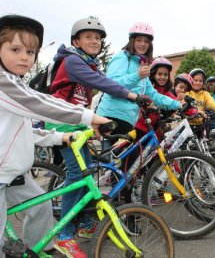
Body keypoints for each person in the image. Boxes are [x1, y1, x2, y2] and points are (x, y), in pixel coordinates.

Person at [0, 14, 110, 258]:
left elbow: (23, 130)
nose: (24, 56)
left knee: (41, 206)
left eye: (30, 52)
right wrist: (88, 116)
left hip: (13, 174)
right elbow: (39, 102)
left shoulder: (14, 85)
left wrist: (59, 138)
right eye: (15, 49)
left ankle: (36, 252)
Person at [46, 17, 144, 257]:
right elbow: (104, 83)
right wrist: (133, 97)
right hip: (62, 126)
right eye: (88, 36)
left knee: (89, 171)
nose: (95, 41)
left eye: (98, 38)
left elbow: (85, 99)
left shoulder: (87, 64)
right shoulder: (72, 61)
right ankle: (64, 234)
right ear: (76, 41)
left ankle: (82, 222)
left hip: (76, 125)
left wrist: (93, 123)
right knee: (77, 174)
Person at [97, 22, 180, 145]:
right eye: (139, 40)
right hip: (110, 117)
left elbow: (153, 95)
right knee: (109, 162)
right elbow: (111, 85)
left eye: (146, 41)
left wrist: (177, 104)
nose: (142, 44)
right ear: (132, 41)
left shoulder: (140, 64)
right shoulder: (122, 58)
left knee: (128, 162)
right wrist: (137, 76)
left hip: (128, 121)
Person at [187, 68, 215, 137]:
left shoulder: (204, 94)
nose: (198, 83)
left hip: (200, 125)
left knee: (201, 145)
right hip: (188, 125)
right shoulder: (187, 93)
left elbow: (211, 103)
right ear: (190, 81)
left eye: (200, 81)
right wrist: (197, 111)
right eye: (195, 80)